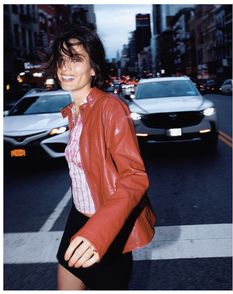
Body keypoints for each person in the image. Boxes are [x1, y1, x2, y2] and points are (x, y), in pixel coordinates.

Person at [47, 24, 156, 290]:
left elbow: (134, 178)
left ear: (93, 68)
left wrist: (99, 231)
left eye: (75, 60)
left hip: (108, 225)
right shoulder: (74, 112)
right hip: (78, 218)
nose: (65, 68)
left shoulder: (111, 108)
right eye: (62, 60)